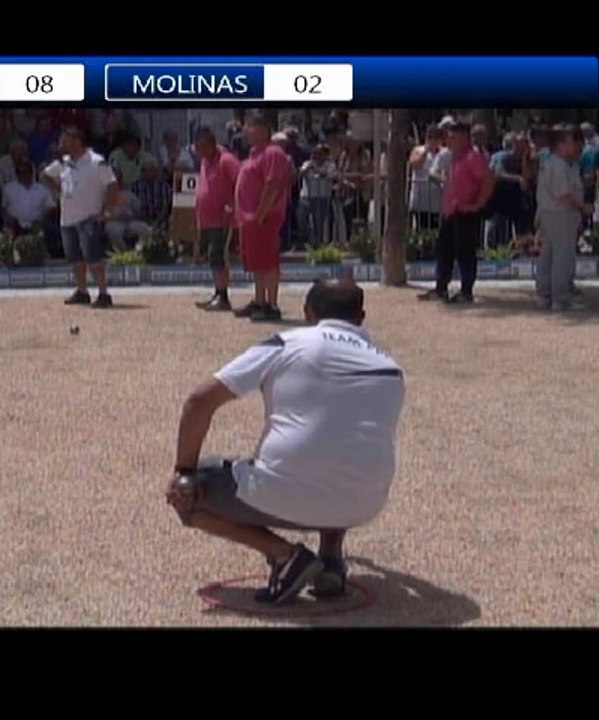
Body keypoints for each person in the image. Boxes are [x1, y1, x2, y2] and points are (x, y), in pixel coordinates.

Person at [167, 277, 405, 605]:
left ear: (307, 312)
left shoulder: (289, 343)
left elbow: (199, 401)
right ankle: (331, 559)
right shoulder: (390, 367)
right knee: (342, 445)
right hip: (364, 502)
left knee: (193, 486)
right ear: (361, 318)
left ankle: (284, 555)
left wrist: (183, 470)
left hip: (287, 494)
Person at [42, 126, 120, 308]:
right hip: (67, 218)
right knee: (75, 258)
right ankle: (82, 291)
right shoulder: (64, 162)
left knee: (93, 257)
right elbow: (44, 175)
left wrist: (107, 212)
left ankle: (103, 293)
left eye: (66, 140)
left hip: (88, 217)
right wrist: (57, 190)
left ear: (77, 141)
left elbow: (112, 186)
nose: (62, 144)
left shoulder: (96, 162)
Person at [418, 123, 495, 304]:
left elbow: (488, 179)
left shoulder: (472, 157)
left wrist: (478, 204)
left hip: (465, 212)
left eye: (453, 138)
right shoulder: (455, 158)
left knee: (465, 252)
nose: (449, 141)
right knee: (444, 250)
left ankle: (466, 291)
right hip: (451, 211)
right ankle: (440, 288)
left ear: (464, 139)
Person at [233, 112, 292, 323]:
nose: (246, 131)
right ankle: (259, 300)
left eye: (250, 126)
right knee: (257, 263)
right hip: (248, 219)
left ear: (263, 129)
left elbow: (273, 183)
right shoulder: (253, 154)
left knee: (268, 261)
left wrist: (261, 213)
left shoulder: (273, 153)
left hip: (264, 218)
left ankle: (271, 304)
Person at [535, 126, 590, 311]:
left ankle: (544, 295)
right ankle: (560, 297)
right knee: (562, 255)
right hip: (560, 213)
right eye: (571, 141)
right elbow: (564, 194)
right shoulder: (558, 165)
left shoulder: (554, 162)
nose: (574, 145)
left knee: (549, 254)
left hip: (550, 213)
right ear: (561, 143)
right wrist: (583, 207)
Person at [193, 127, 240, 311]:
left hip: (223, 219)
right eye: (197, 147)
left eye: (203, 146)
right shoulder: (204, 162)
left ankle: (223, 296)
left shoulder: (227, 160)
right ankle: (218, 292)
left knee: (218, 256)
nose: (200, 151)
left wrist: (233, 205)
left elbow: (240, 183)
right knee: (212, 257)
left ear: (212, 143)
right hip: (207, 219)